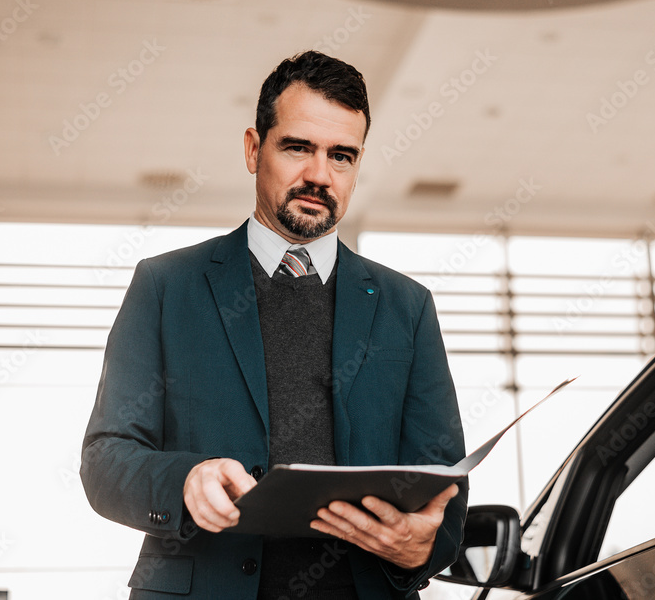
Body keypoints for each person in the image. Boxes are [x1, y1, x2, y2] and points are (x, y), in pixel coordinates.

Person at [81, 50, 467, 599]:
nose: (319, 175)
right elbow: (105, 460)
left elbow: (445, 488)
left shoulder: (408, 306)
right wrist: (184, 482)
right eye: (297, 148)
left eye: (342, 157)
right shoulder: (166, 287)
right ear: (253, 148)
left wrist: (421, 548)